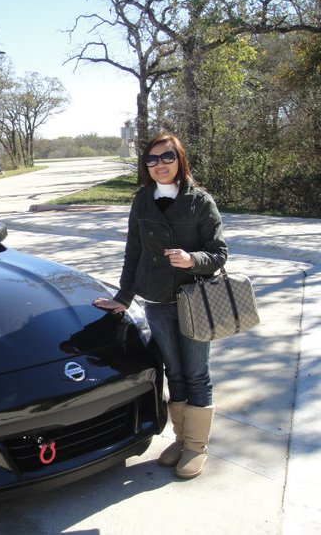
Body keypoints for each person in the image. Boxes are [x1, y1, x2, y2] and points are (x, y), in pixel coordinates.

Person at [93, 133, 227, 479]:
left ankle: (196, 446)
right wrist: (123, 298)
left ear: (179, 159)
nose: (159, 165)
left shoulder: (200, 201)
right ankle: (181, 440)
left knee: (197, 374)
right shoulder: (142, 201)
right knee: (174, 372)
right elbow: (133, 252)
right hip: (157, 301)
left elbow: (219, 254)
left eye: (166, 157)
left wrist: (192, 259)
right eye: (151, 160)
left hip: (194, 301)